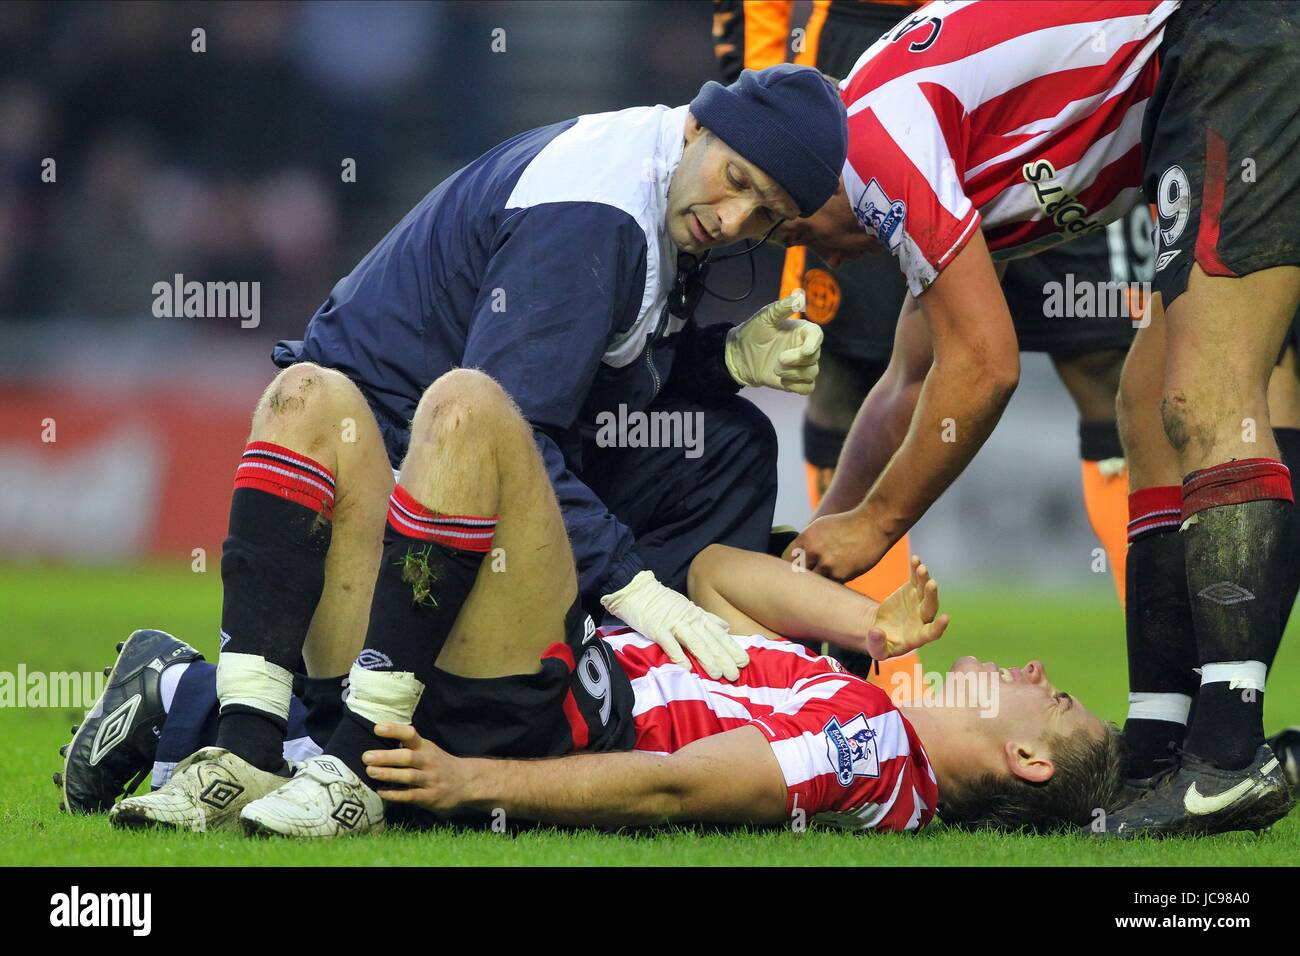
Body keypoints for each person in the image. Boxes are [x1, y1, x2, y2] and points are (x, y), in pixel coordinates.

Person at [64, 368, 1121, 836]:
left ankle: (238, 720)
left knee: (472, 405)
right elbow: (711, 577)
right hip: (509, 669)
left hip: (542, 705)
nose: (1035, 674)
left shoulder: (879, 758)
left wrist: (470, 779)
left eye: (1057, 700)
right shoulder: (857, 694)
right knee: (315, 396)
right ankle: (214, 722)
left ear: (1027, 761)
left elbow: (688, 785)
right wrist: (858, 624)